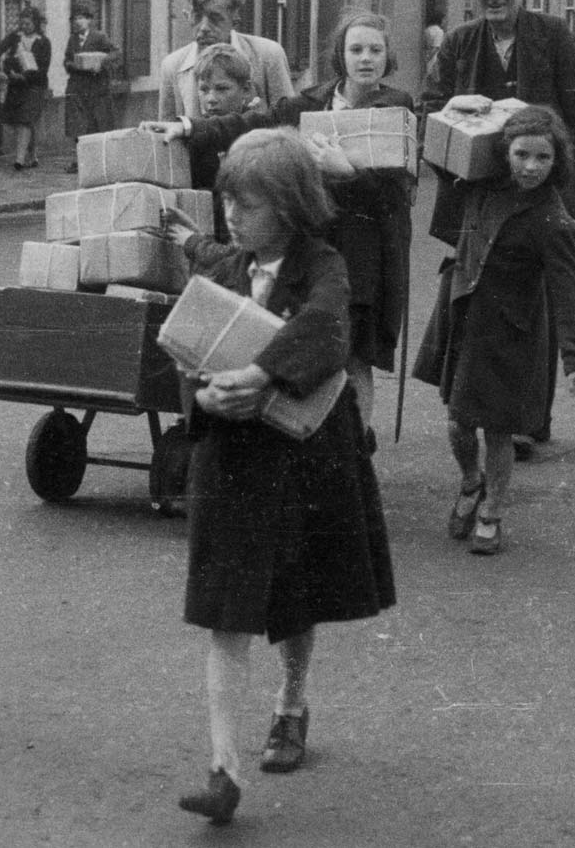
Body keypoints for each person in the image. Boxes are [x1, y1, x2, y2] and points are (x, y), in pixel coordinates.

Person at [162, 128, 396, 825]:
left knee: (294, 595)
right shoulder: (227, 264)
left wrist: (259, 373)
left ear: (291, 205)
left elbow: (328, 328)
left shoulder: (324, 265)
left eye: (251, 203)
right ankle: (222, 768)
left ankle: (292, 702)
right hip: (232, 461)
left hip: (302, 457)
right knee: (222, 607)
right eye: (228, 198)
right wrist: (204, 394)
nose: (233, 214)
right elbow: (193, 343)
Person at [149, 10, 415, 439]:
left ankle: (353, 444)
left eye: (375, 50)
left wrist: (347, 171)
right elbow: (254, 122)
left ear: (388, 56)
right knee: (298, 335)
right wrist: (188, 126)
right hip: (315, 237)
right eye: (356, 49)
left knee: (354, 353)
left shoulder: (397, 108)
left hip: (367, 246)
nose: (366, 59)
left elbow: (398, 190)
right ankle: (302, 431)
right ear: (340, 55)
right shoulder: (310, 102)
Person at [420, 0, 575, 458]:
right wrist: (455, 103)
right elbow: (431, 111)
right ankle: (473, 404)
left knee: (539, 301)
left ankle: (529, 419)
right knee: (476, 299)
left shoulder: (553, 35)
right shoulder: (458, 43)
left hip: (540, 187)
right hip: (473, 192)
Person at [412, 106, 575, 555]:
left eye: (543, 158)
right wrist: (459, 110)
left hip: (510, 334)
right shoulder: (480, 184)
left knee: (496, 430)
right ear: (504, 152)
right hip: (463, 318)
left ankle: (492, 508)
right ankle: (471, 482)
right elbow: (438, 150)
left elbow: (568, 295)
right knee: (457, 422)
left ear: (557, 162)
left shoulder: (553, 220)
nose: (531, 167)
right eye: (521, 154)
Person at [157, 0, 296, 166]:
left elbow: (289, 123)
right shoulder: (172, 66)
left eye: (215, 18)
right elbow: (167, 138)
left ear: (234, 19)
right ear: (187, 16)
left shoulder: (267, 55)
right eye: (197, 17)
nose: (204, 27)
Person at [0, 5, 51, 170]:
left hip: (35, 86)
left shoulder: (44, 42)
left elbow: (43, 69)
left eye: (28, 24)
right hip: (16, 86)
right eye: (22, 24)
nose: (24, 27)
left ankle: (19, 160)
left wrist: (25, 77)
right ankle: (32, 155)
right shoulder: (14, 38)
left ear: (36, 24)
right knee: (22, 121)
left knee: (25, 120)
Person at [61, 3, 120, 171]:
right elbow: (66, 60)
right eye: (74, 19)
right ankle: (80, 161)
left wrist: (100, 63)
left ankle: (96, 162)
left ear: (89, 20)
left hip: (96, 89)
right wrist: (74, 65)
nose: (77, 22)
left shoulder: (99, 37)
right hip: (77, 88)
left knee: (96, 125)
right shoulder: (72, 39)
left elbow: (116, 53)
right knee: (77, 126)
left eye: (81, 18)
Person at [422, 11, 445, 81]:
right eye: (444, 20)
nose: (445, 22)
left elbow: (424, 45)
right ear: (440, 20)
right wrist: (428, 59)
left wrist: (425, 59)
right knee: (435, 81)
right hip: (434, 60)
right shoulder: (439, 31)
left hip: (426, 55)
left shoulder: (427, 29)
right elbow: (436, 48)